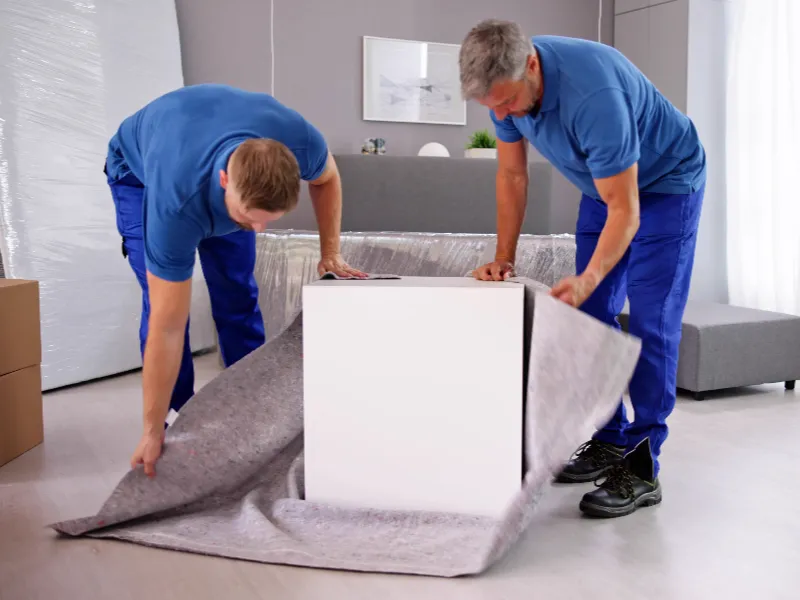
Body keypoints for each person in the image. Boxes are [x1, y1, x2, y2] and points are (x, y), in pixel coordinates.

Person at [459, 21, 706, 518]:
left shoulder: (595, 95)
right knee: (589, 313)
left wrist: (592, 273)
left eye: (506, 103)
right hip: (604, 189)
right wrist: (503, 257)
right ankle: (609, 436)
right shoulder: (506, 90)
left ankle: (641, 463)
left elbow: (628, 210)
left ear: (531, 65)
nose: (502, 116)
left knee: (652, 320)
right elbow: (511, 173)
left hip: (666, 184)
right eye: (492, 108)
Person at [105, 83, 365, 478]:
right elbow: (168, 327)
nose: (258, 229)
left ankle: (248, 407)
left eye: (268, 219)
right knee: (165, 305)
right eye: (249, 218)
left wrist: (330, 252)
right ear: (226, 179)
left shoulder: (301, 143)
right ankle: (178, 419)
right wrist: (150, 430)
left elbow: (327, 179)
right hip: (137, 173)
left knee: (237, 292)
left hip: (205, 153)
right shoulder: (175, 204)